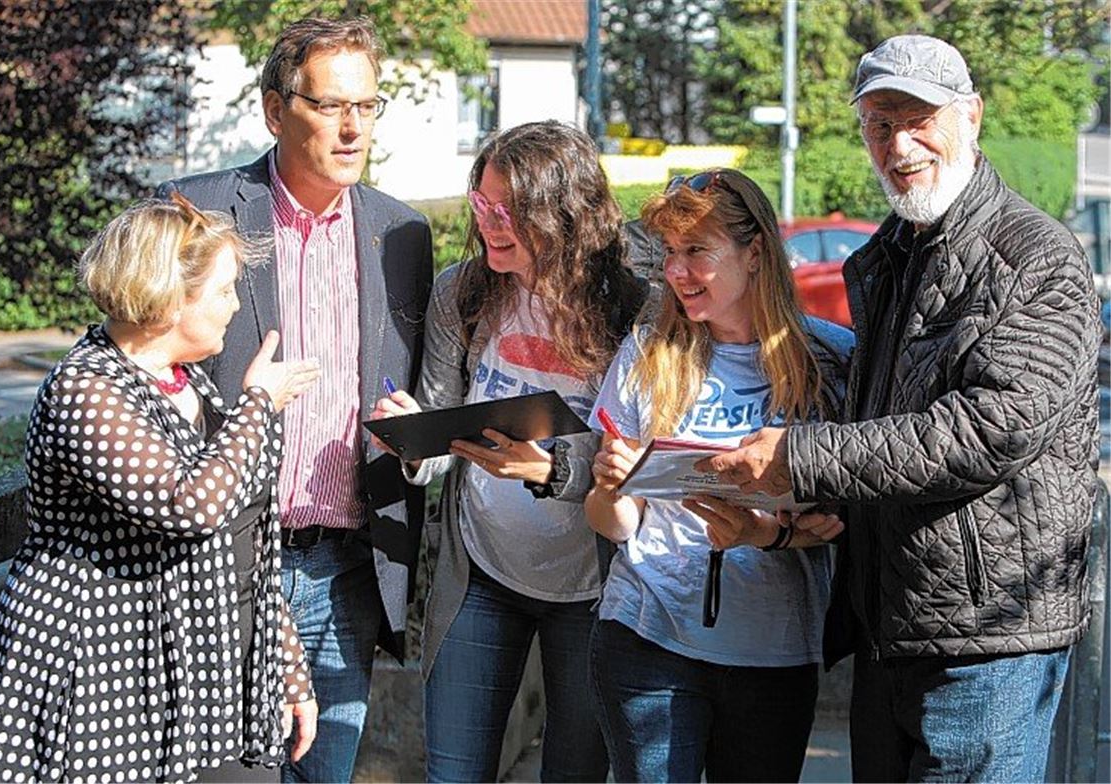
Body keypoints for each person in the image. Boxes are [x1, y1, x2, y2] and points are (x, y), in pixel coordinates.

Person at [701, 35, 1101, 783]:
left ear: (972, 117)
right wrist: (783, 511)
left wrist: (796, 456)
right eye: (879, 125)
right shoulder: (891, 252)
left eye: (919, 118)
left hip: (991, 641)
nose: (899, 144)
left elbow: (991, 428)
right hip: (893, 628)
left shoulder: (1036, 257)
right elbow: (877, 424)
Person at [159, 16, 434, 782]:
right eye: (329, 106)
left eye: (368, 107)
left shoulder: (401, 231)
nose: (352, 129)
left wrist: (414, 448)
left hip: (351, 569)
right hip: (230, 566)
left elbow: (407, 386)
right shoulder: (197, 211)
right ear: (275, 110)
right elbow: (142, 363)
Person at [0, 195, 321, 782]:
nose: (235, 306)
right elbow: (189, 506)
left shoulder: (191, 385)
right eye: (222, 290)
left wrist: (287, 666)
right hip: (102, 677)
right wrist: (260, 404)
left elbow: (245, 540)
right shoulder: (85, 390)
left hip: (202, 678)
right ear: (168, 298)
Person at [370, 121, 646, 782]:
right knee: (454, 773)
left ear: (564, 215)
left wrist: (552, 470)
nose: (492, 224)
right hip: (482, 575)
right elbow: (440, 434)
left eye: (511, 212)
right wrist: (414, 438)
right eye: (482, 206)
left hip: (592, 585)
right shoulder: (461, 292)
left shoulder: (630, 302)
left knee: (574, 773)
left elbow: (639, 450)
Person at [583, 168, 851, 783]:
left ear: (754, 252)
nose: (677, 272)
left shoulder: (830, 359)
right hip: (646, 634)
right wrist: (612, 489)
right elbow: (611, 524)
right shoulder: (649, 351)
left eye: (697, 251)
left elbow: (843, 521)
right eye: (671, 253)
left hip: (774, 653)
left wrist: (764, 534)